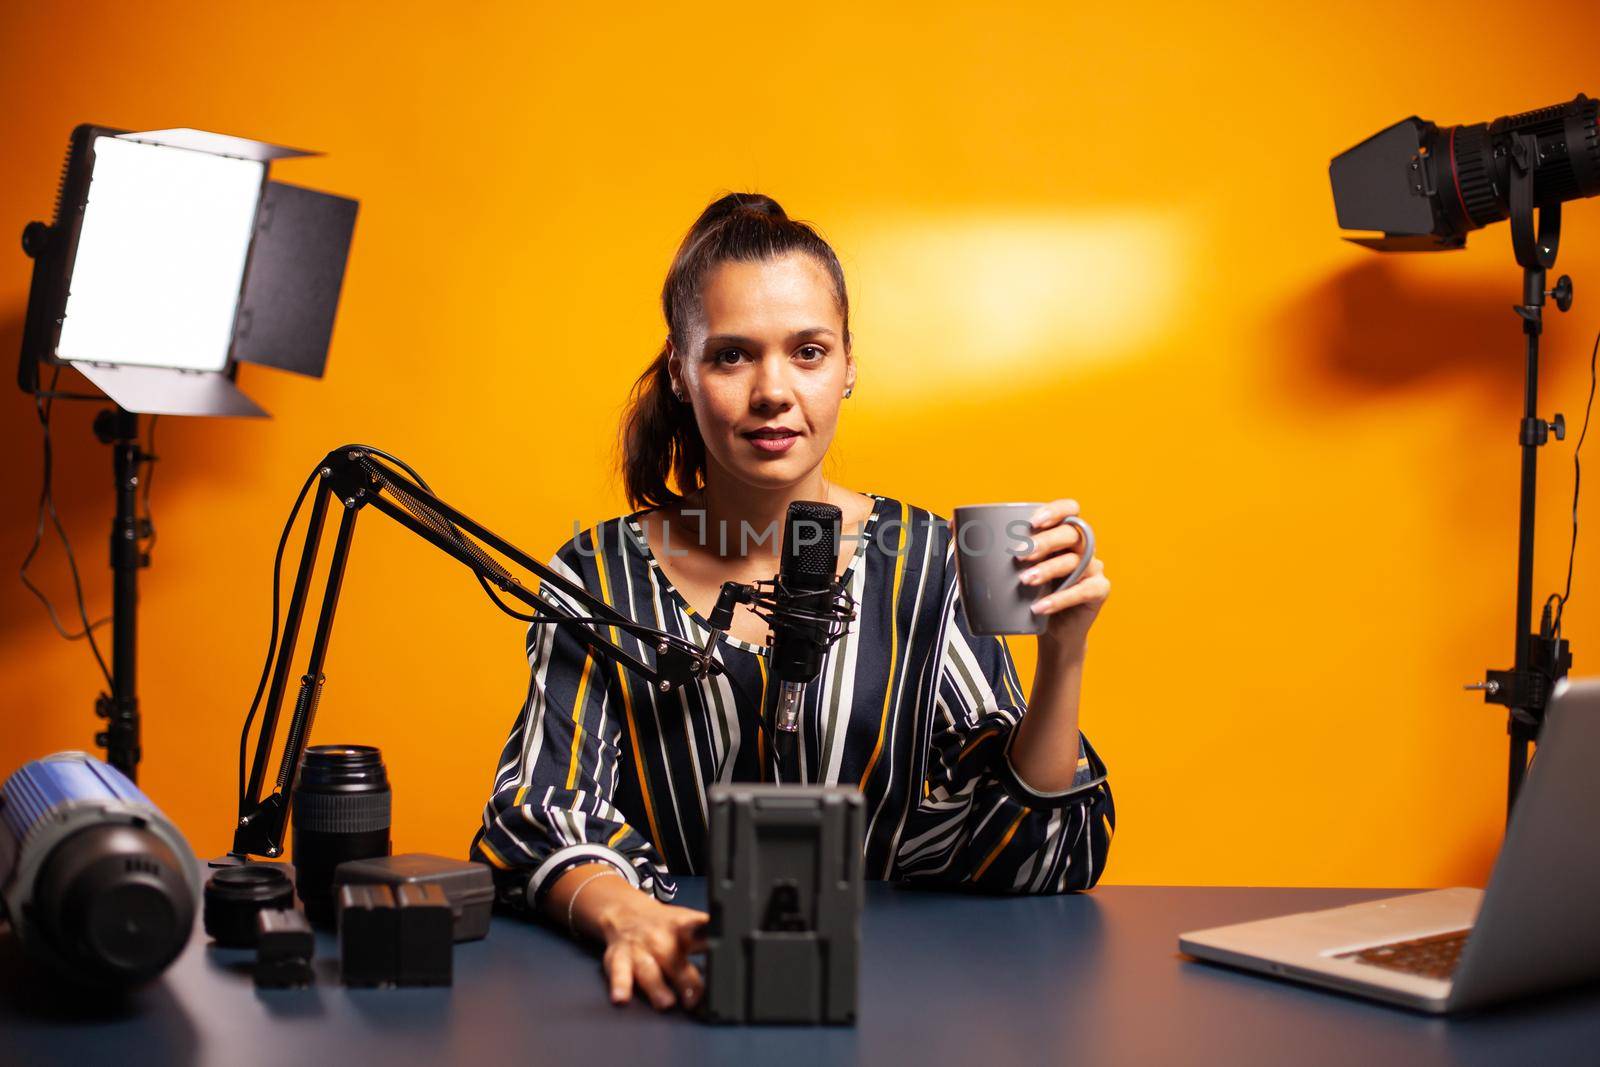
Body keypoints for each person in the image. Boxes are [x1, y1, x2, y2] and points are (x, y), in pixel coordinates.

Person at [469, 192, 1114, 1011]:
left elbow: (1029, 853)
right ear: (680, 369)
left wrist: (1062, 652)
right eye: (733, 355)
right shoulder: (599, 575)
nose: (774, 390)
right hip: (670, 991)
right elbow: (537, 816)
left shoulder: (928, 565)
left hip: (895, 1002)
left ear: (850, 365)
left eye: (807, 351)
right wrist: (630, 916)